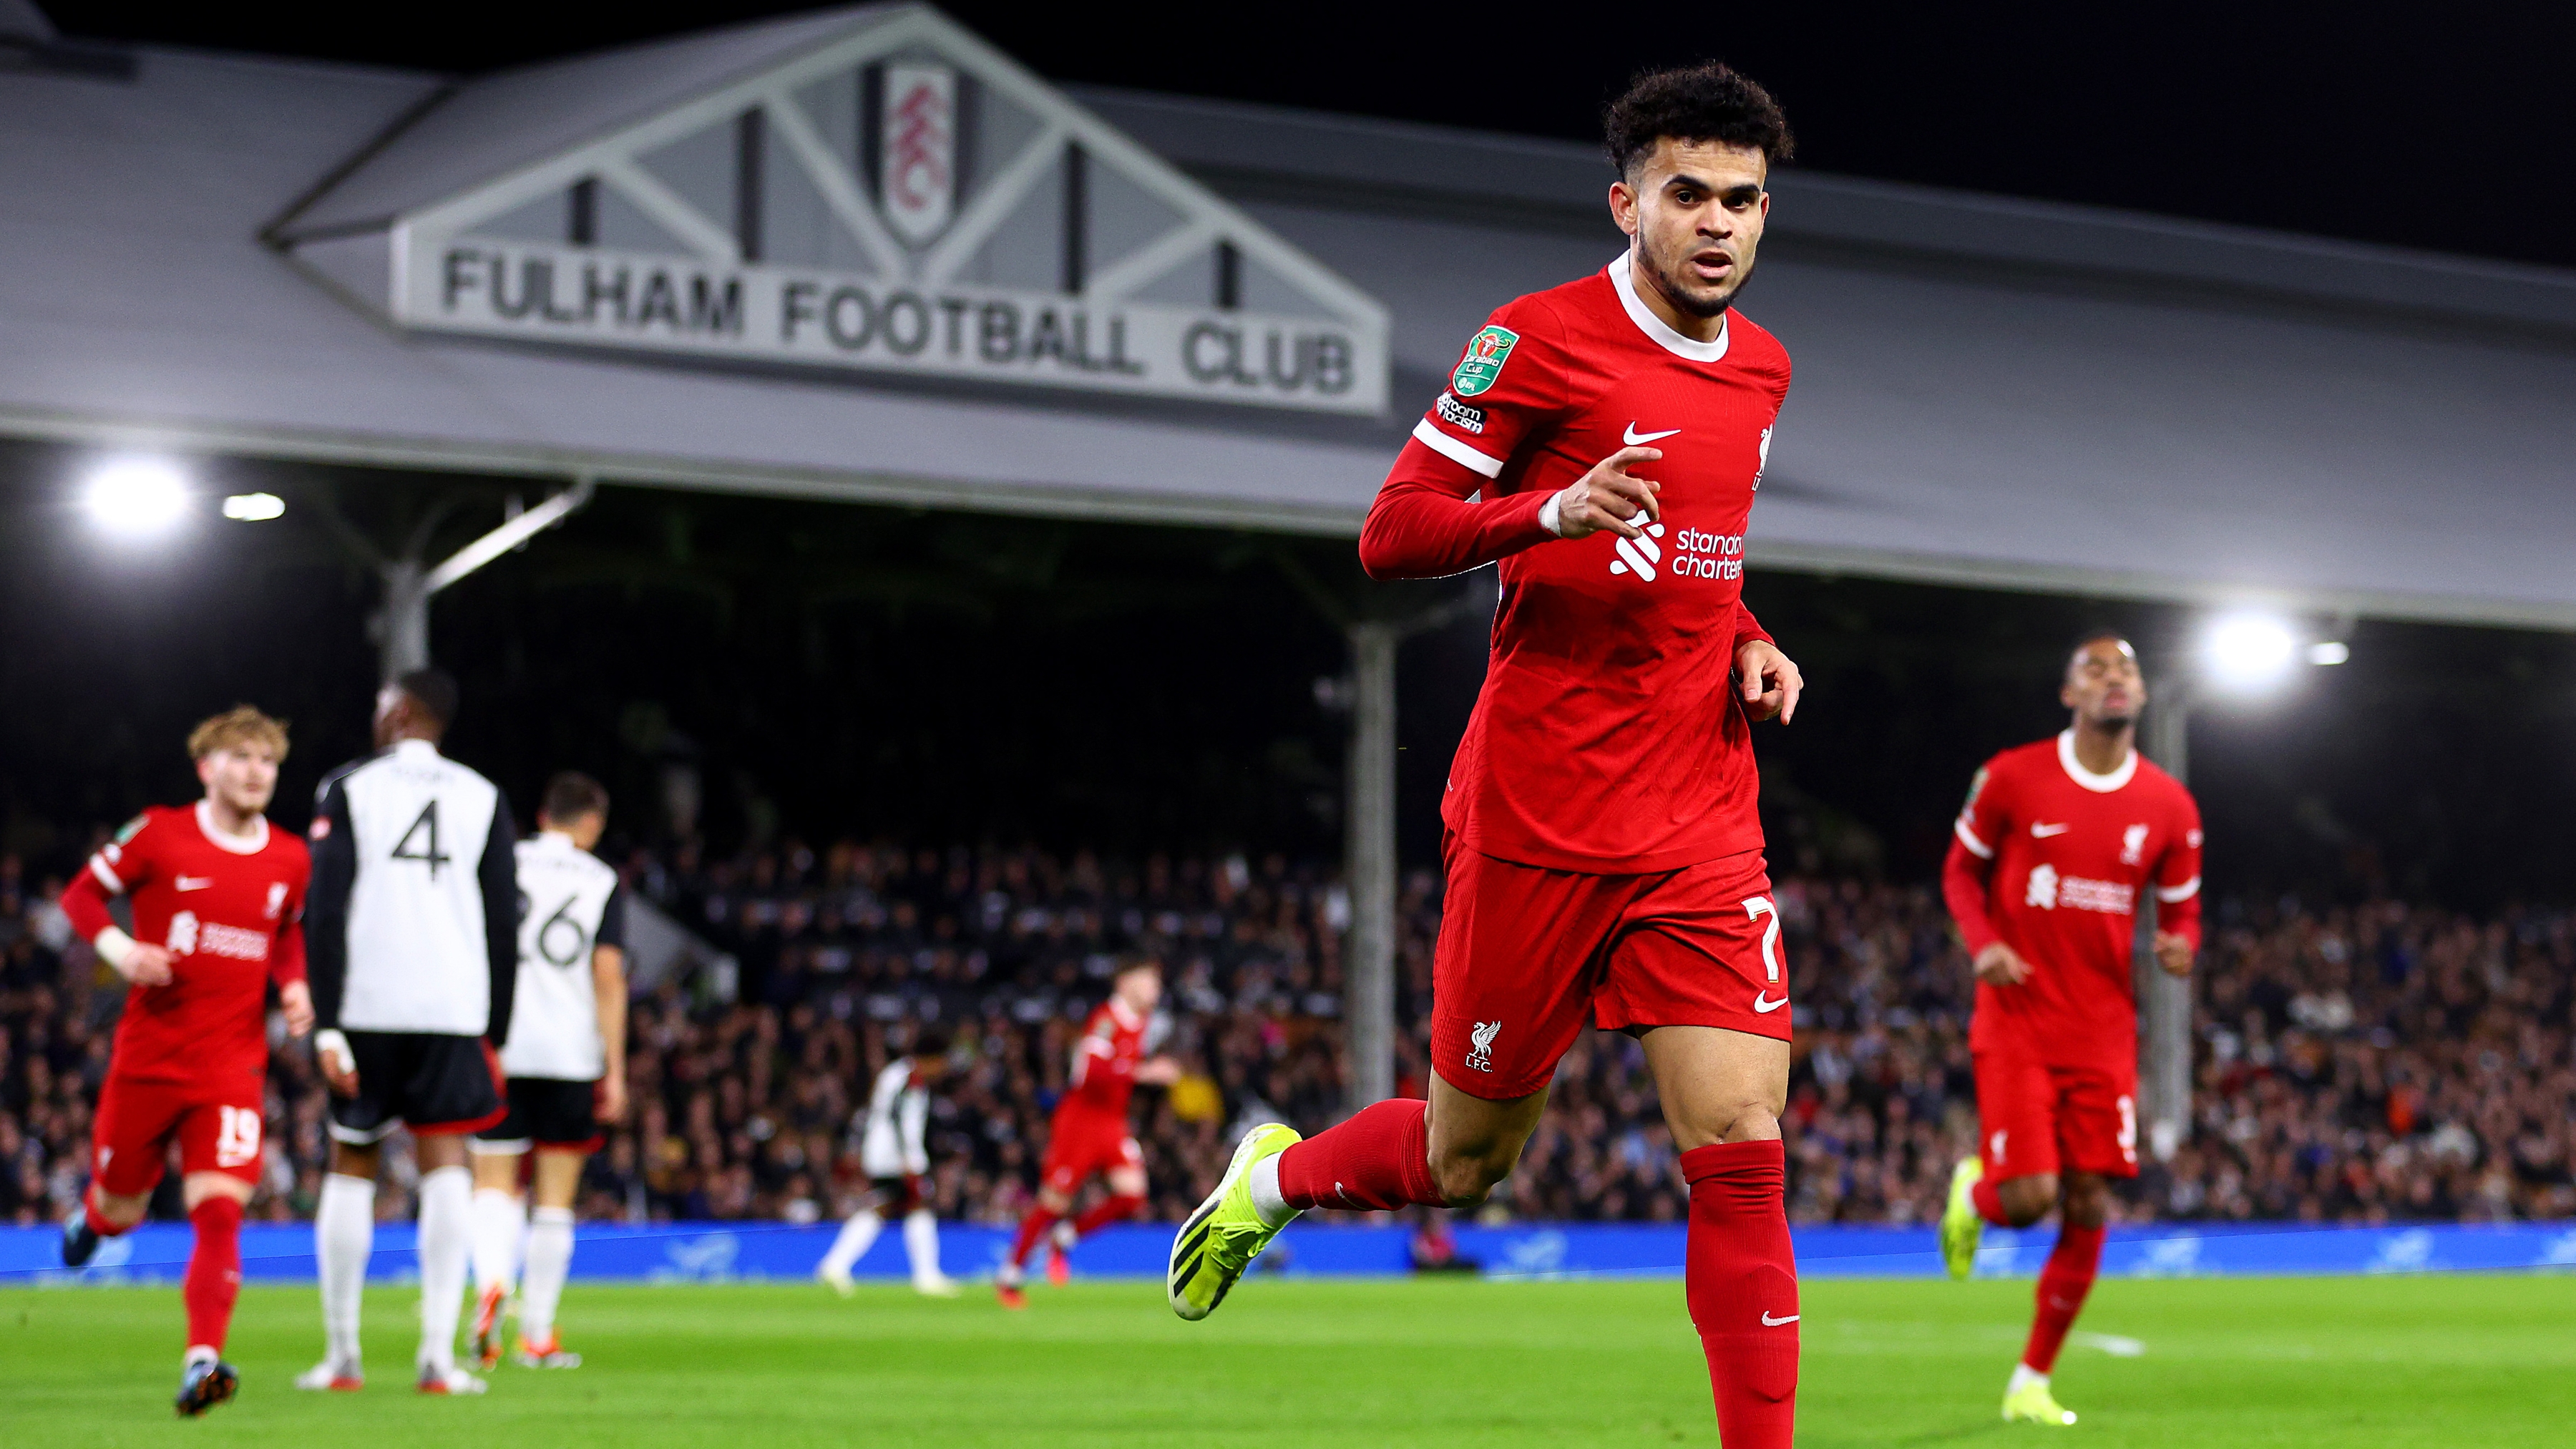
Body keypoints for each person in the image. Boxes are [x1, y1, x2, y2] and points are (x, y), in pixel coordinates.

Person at [1166, 62, 1808, 1444]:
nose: (1718, 224)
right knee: (1468, 1163)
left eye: (1743, 201)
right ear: (1626, 199)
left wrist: (1750, 634)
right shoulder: (1533, 340)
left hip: (1700, 809)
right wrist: (1542, 512)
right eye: (1687, 194)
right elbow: (1390, 531)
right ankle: (1271, 1186)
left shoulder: (1763, 367)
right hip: (1541, 811)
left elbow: (1697, 553)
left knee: (1742, 1149)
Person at [1937, 631, 2204, 1426]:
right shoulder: (2014, 776)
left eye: (2125, 671)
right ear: (2070, 695)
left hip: (2103, 1030)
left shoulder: (2170, 804)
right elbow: (1960, 872)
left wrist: (2180, 944)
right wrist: (1982, 946)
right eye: (2096, 670)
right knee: (2029, 1200)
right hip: (2018, 1020)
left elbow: (2183, 904)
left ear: (2142, 695)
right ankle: (1973, 1192)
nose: (2114, 680)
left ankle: (2031, 1381)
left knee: (2088, 1202)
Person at [57, 707, 313, 1416]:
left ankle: (203, 1363)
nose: (256, 770)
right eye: (241, 757)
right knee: (122, 1209)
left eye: (268, 759)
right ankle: (93, 1220)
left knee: (221, 1211)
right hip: (149, 1060)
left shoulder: (290, 856)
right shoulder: (161, 833)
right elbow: (81, 896)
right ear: (207, 767)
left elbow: (287, 931)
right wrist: (122, 953)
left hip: (232, 1066)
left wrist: (292, 986)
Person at [296, 668, 519, 1396]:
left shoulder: (350, 788)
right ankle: (436, 1360)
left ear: (402, 714)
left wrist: (328, 1022)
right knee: (447, 1163)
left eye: (379, 703)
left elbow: (323, 912)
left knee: (351, 1159)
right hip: (454, 1010)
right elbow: (500, 924)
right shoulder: (485, 796)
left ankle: (343, 1357)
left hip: (367, 1004)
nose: (375, 715)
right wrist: (499, 1029)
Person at [466, 771, 628, 1370]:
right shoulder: (602, 879)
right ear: (591, 822)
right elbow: (607, 976)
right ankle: (537, 1334)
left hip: (502, 1046)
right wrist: (615, 1068)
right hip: (569, 1052)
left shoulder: (503, 863)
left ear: (542, 814)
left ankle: (490, 1285)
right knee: (555, 1197)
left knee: (492, 1180)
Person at [1000, 957, 1179, 1309]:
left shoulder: (1141, 1022)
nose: (1156, 990)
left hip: (1112, 1122)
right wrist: (1146, 1073)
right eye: (1149, 981)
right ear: (1126, 982)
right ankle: (1010, 1276)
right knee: (1053, 1202)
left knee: (1133, 1196)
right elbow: (1092, 1073)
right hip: (1080, 1120)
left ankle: (1064, 1238)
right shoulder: (1105, 1020)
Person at [814, 1025, 960, 1298]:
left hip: (882, 1153)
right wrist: (911, 1159)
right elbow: (899, 1119)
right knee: (918, 1205)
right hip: (894, 1156)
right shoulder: (910, 1078)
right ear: (933, 1059)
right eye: (943, 1061)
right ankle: (926, 1276)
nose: (943, 1068)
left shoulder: (896, 1074)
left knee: (883, 1208)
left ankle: (835, 1265)